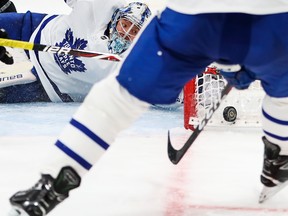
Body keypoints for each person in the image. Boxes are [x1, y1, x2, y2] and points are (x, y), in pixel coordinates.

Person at [7, 0, 288, 215]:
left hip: (195, 17)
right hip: (268, 19)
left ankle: (54, 182)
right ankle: (280, 158)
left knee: (117, 97)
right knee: (284, 92)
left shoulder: (154, 31)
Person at [0, 0, 151, 103]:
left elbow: (167, 94)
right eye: (124, 24)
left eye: (134, 31)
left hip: (46, 86)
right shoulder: (101, 4)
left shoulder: (138, 65)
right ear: (117, 17)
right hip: (32, 31)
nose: (126, 33)